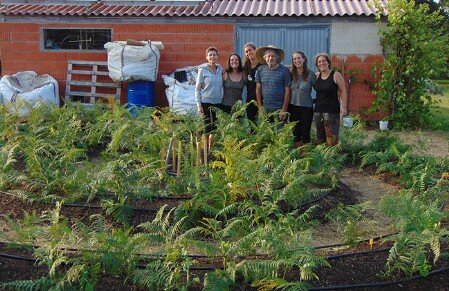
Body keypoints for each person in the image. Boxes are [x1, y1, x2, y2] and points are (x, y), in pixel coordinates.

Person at [312, 53, 348, 146]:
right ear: (317, 64)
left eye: (324, 61)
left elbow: (343, 90)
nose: (321, 63)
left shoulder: (336, 75)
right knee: (320, 139)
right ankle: (323, 160)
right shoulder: (316, 76)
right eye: (319, 62)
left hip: (332, 112)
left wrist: (343, 107)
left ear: (328, 62)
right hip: (318, 112)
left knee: (332, 140)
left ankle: (332, 159)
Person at [255, 45, 291, 122]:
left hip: (279, 109)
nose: (270, 58)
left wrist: (284, 110)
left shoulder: (284, 71)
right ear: (265, 58)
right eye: (268, 56)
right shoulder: (260, 70)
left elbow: (287, 91)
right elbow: (258, 90)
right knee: (266, 133)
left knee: (280, 133)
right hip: (265, 109)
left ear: (277, 57)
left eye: (273, 56)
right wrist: (260, 108)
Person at [289, 51, 316, 147]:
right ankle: (299, 156)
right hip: (292, 107)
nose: (297, 60)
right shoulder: (290, 73)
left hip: (306, 108)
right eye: (294, 59)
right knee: (295, 133)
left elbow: (319, 89)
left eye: (299, 58)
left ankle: (306, 157)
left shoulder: (310, 74)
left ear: (304, 59)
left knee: (305, 132)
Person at [195, 46, 224, 135]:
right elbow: (197, 88)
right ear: (207, 57)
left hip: (218, 103)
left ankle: (213, 146)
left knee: (215, 126)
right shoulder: (202, 70)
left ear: (217, 56)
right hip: (205, 102)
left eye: (214, 55)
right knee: (206, 127)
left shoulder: (220, 70)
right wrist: (199, 105)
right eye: (210, 55)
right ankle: (205, 147)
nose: (212, 57)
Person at [243, 42, 261, 123]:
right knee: (252, 125)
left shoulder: (262, 65)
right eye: (246, 52)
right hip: (250, 100)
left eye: (250, 50)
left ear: (255, 50)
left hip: (262, 100)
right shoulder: (246, 66)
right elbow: (233, 71)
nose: (248, 53)